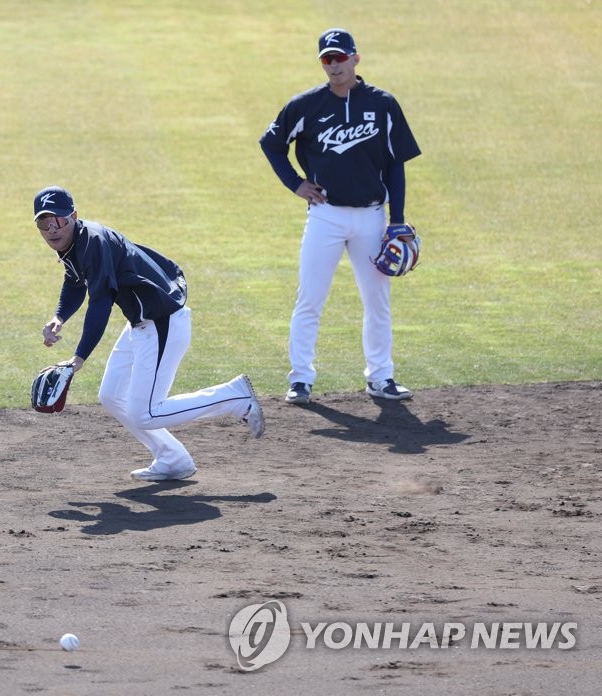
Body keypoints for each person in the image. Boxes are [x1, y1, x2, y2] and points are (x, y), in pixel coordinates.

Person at [33, 186, 264, 482]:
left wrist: (78, 359)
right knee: (111, 395)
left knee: (147, 413)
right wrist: (59, 317)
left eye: (59, 221)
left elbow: (100, 303)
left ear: (74, 217)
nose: (52, 229)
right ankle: (173, 459)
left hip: (162, 323)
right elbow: (75, 281)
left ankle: (234, 396)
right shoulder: (75, 244)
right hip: (142, 325)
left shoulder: (93, 241)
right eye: (44, 223)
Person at [259, 28, 421, 405]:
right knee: (310, 298)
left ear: (355, 59)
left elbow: (396, 165)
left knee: (377, 300)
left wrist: (396, 220)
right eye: (327, 59)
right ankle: (300, 379)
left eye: (340, 58)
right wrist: (295, 184)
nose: (333, 66)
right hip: (325, 215)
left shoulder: (383, 104)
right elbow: (270, 143)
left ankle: (381, 377)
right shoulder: (305, 106)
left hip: (370, 218)